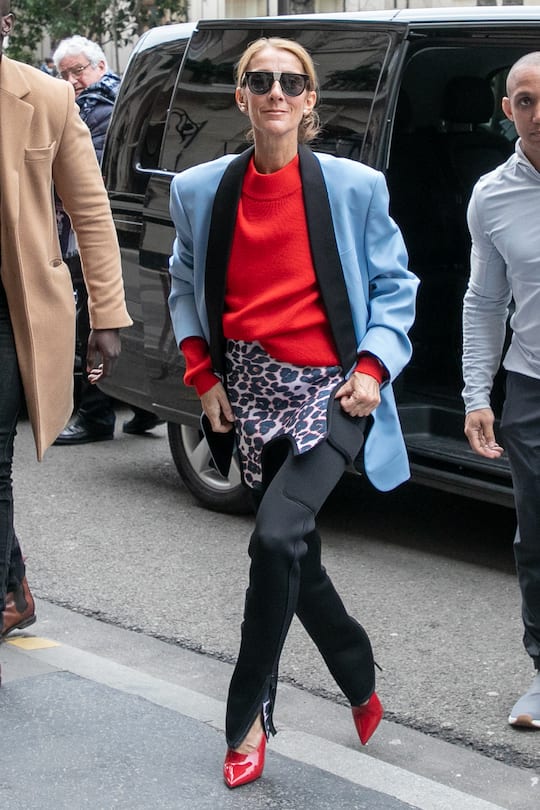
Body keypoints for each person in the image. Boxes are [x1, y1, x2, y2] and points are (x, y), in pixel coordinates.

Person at [168, 37, 418, 788]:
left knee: (274, 539)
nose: (276, 92)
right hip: (248, 388)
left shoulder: (355, 187)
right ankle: (357, 672)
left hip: (333, 390)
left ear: (310, 101)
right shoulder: (199, 190)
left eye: (291, 81)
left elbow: (396, 287)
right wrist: (203, 375)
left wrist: (373, 368)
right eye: (260, 80)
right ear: (240, 96)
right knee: (295, 553)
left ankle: (246, 717)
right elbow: (184, 284)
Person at [0, 2, 132, 681]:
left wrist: (106, 313)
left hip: (10, 310)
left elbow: (90, 206)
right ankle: (12, 587)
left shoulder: (46, 95)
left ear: (5, 22)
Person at [463, 51, 540, 731]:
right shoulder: (492, 194)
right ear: (507, 108)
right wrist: (475, 394)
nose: (537, 114)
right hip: (532, 390)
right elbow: (485, 301)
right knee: (537, 539)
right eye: (524, 100)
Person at [52, 36, 162, 444]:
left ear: (99, 65)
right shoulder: (130, 97)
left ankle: (95, 413)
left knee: (95, 319)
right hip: (135, 220)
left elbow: (85, 182)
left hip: (96, 230)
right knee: (127, 315)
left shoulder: (93, 108)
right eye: (64, 73)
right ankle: (143, 407)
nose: (72, 80)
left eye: (77, 70)